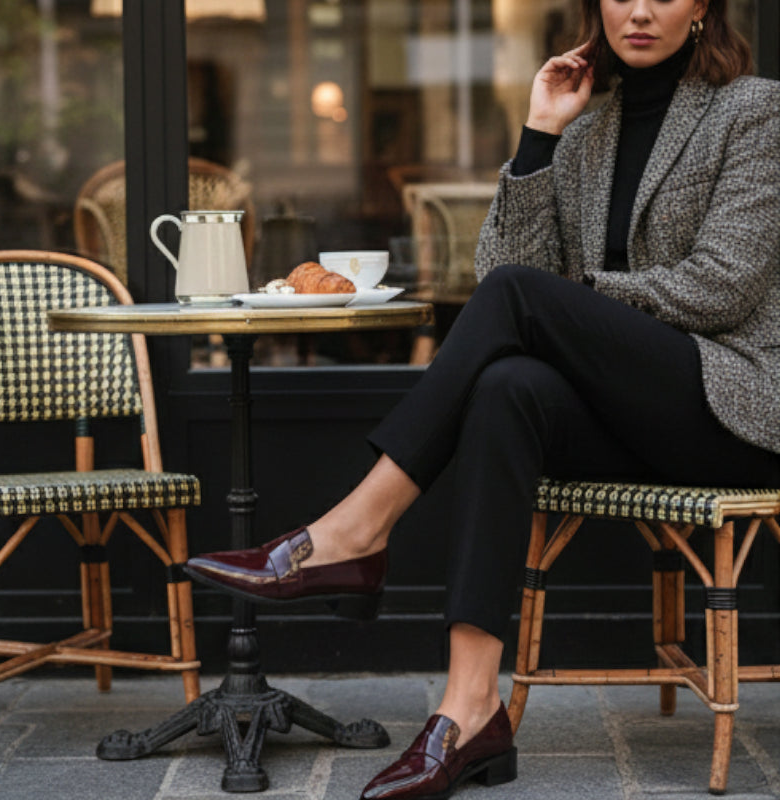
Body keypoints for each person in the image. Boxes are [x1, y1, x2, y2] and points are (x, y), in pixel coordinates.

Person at [186, 1, 780, 798]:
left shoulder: (754, 110)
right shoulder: (588, 131)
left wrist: (579, 305)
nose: (639, 10)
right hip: (625, 417)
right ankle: (471, 709)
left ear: (702, 6)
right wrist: (539, 138)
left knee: (522, 306)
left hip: (725, 406)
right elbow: (505, 269)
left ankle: (355, 533)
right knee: (506, 385)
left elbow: (724, 284)